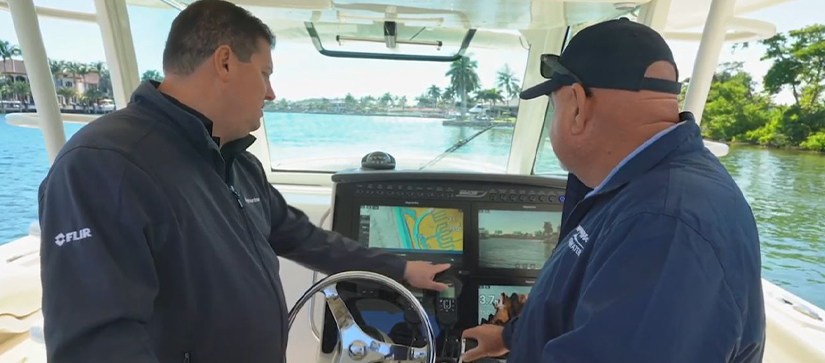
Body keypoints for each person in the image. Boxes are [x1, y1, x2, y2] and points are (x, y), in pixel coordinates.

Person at [37, 1, 449, 362]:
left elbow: (305, 238)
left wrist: (400, 269)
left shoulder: (237, 163)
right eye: (266, 73)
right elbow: (99, 345)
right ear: (225, 62)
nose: (271, 93)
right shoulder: (105, 165)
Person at [461, 19, 765, 363]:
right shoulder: (641, 190)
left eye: (554, 106)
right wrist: (511, 336)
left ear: (577, 104)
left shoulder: (663, 225)